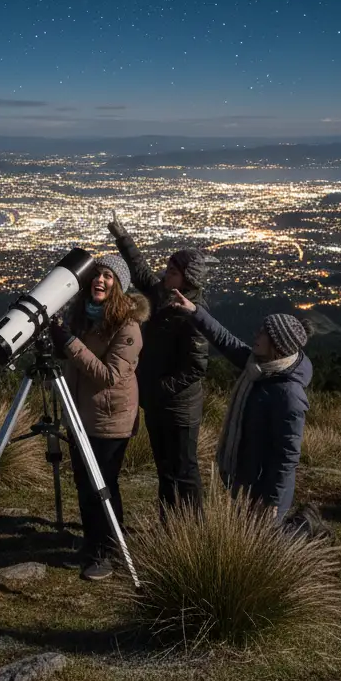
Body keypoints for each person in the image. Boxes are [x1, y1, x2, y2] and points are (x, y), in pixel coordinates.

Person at [108, 213, 217, 516]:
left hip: (179, 407)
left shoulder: (193, 314)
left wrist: (160, 389)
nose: (165, 273)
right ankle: (168, 524)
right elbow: (140, 270)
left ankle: (192, 528)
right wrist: (121, 235)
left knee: (184, 468)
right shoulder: (162, 295)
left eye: (172, 270)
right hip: (157, 402)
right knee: (164, 468)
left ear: (187, 278)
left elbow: (196, 366)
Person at [170, 291, 313, 522]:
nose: (257, 334)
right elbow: (225, 340)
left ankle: (306, 528)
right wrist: (195, 312)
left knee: (266, 544)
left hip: (264, 489)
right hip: (247, 478)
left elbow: (287, 455)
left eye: (265, 332)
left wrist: (273, 501)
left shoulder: (288, 393)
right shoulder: (258, 368)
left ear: (277, 344)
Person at [49, 254, 147, 581]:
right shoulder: (83, 317)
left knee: (103, 486)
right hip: (79, 415)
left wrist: (71, 344)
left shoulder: (128, 327)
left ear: (119, 285)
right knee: (84, 484)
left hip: (110, 419)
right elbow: (75, 360)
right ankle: (93, 542)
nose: (100, 280)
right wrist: (58, 342)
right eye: (97, 275)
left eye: (108, 276)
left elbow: (108, 375)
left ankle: (108, 551)